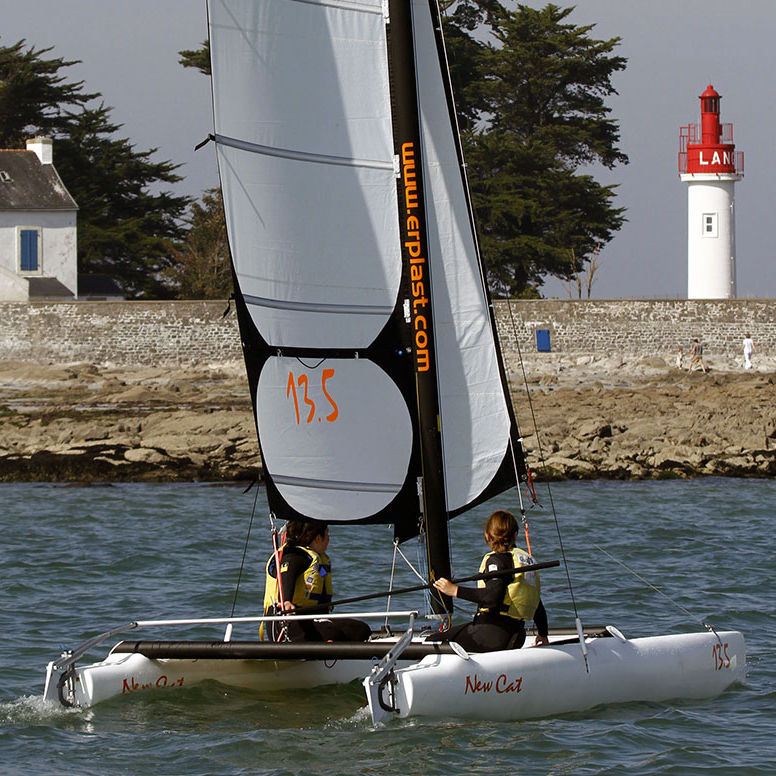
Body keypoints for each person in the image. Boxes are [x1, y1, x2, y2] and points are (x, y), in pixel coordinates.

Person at [430, 510, 549, 652]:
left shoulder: (497, 560)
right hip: (517, 636)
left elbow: (492, 597)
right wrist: (543, 634)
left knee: (432, 641)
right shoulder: (525, 561)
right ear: (515, 535)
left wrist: (454, 590)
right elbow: (537, 604)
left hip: (492, 635)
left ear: (487, 535)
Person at [263, 518, 371, 643]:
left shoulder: (318, 562)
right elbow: (287, 574)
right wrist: (286, 601)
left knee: (360, 629)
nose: (329, 538)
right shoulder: (295, 556)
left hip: (310, 618)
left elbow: (321, 576)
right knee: (332, 632)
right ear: (318, 538)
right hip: (284, 624)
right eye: (327, 534)